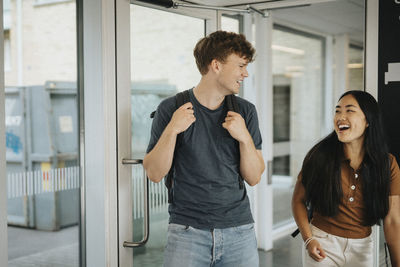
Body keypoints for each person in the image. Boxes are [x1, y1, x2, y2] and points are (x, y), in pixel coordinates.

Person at [143, 31, 265, 267]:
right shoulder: (171, 108)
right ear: (216, 65)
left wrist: (244, 139)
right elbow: (154, 173)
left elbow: (254, 177)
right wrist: (172, 130)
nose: (245, 73)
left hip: (239, 231)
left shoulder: (245, 112)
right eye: (240, 65)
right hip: (187, 232)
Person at [292, 90, 400, 267]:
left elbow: (393, 220)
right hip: (322, 243)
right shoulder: (319, 156)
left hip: (363, 247)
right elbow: (298, 201)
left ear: (368, 120)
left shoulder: (387, 164)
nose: (340, 116)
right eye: (337, 111)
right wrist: (308, 239)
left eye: (349, 110)